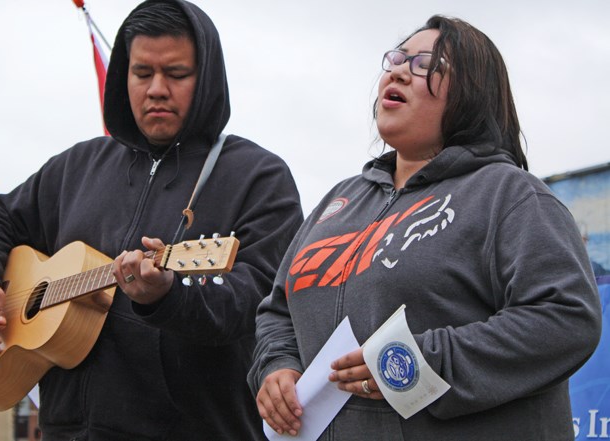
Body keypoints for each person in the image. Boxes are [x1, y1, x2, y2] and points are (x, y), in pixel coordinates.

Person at [0, 1, 303, 440]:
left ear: (208, 77)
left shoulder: (259, 177)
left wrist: (168, 297)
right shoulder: (78, 166)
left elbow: (259, 304)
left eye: (176, 74)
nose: (156, 89)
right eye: (142, 74)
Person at [248, 15, 602, 441]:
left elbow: (567, 318)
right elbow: (279, 308)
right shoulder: (337, 203)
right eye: (397, 58)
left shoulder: (511, 196)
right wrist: (277, 365)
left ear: (472, 92)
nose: (397, 70)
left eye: (424, 64)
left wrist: (423, 363)